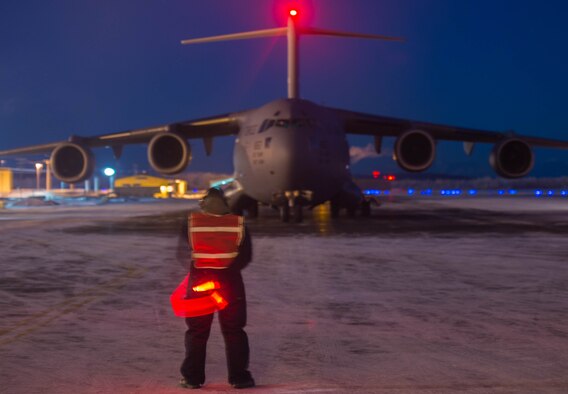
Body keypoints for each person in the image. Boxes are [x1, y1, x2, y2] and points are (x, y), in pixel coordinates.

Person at [176, 187, 255, 389]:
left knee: (197, 331)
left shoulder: (192, 222)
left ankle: (192, 378)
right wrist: (228, 269)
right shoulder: (238, 223)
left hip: (199, 283)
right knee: (234, 330)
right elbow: (245, 256)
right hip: (230, 283)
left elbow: (182, 252)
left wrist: (198, 269)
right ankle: (240, 378)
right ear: (226, 204)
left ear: (203, 203)